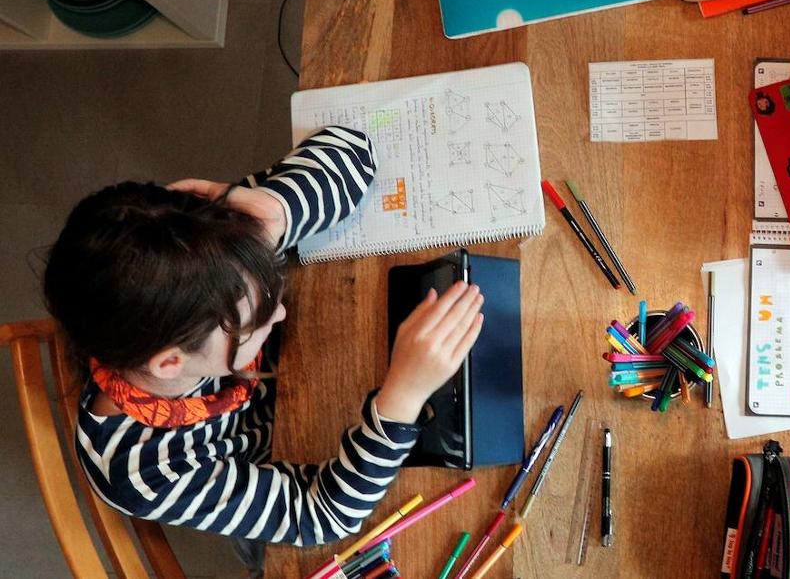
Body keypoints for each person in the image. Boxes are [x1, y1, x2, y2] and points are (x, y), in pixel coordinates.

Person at [42, 126, 484, 576]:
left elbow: (352, 148)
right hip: (269, 488)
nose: (280, 315)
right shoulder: (145, 472)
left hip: (292, 389)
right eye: (257, 321)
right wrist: (401, 399)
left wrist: (276, 211)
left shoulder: (201, 248)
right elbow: (319, 514)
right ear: (171, 362)